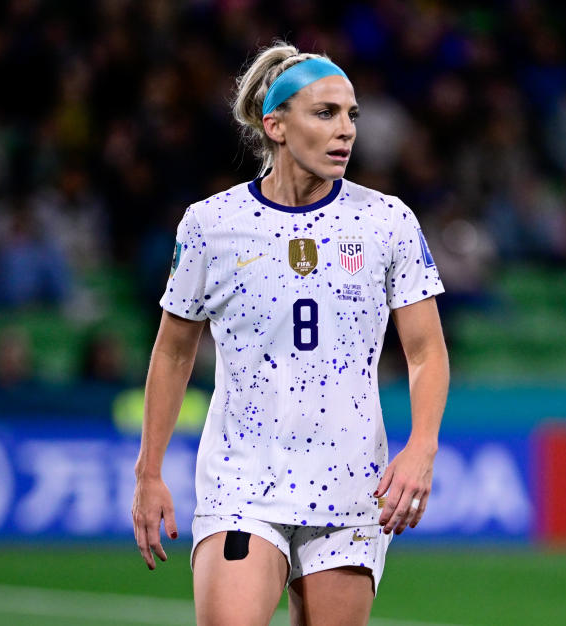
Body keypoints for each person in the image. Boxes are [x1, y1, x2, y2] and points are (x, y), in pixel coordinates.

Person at [131, 42, 449, 626]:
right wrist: (149, 472)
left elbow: (426, 350)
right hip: (242, 480)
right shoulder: (212, 224)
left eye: (352, 114)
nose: (346, 130)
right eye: (325, 113)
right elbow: (174, 352)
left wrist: (422, 447)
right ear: (274, 124)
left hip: (351, 485)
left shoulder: (387, 220)